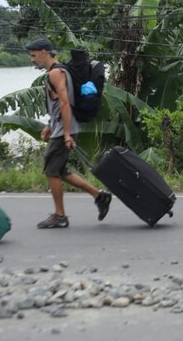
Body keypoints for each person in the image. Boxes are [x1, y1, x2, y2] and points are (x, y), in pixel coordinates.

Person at [26, 38, 112, 228]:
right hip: (62, 127)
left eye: (34, 55)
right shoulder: (61, 71)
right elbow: (59, 105)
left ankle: (60, 216)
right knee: (60, 171)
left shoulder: (56, 73)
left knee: (51, 171)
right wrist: (49, 124)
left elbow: (65, 103)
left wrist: (66, 133)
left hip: (64, 130)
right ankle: (100, 196)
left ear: (44, 52)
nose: (32, 60)